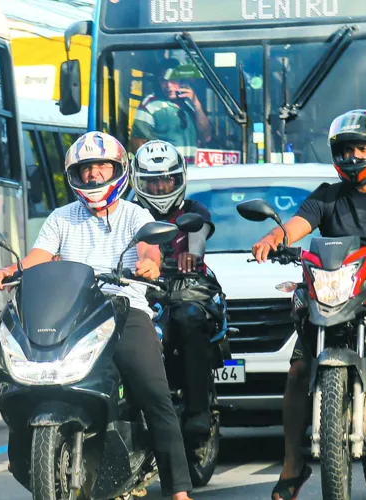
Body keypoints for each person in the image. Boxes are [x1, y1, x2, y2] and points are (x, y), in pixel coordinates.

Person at [0, 131, 195, 500]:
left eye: (102, 167)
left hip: (124, 308)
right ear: (75, 176)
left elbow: (150, 250)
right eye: (86, 170)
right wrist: (10, 271)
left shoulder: (135, 214)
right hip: (74, 312)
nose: (95, 176)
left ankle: (179, 490)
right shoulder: (61, 218)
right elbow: (39, 258)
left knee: (154, 393)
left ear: (118, 170)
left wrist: (148, 264)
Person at [250, 110, 366, 500]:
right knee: (298, 369)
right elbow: (295, 226)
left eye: (362, 148)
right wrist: (273, 237)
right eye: (346, 150)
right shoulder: (326, 196)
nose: (354, 157)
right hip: (330, 289)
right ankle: (292, 463)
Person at [130, 139, 219, 435]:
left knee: (188, 318)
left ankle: (198, 410)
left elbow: (199, 234)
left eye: (167, 181)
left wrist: (191, 255)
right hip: (139, 290)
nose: (160, 189)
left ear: (179, 179)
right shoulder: (129, 212)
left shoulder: (195, 210)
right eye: (152, 183)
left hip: (186, 288)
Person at [129, 57, 213, 163]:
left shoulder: (191, 104)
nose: (168, 86)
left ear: (182, 80)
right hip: (167, 174)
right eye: (163, 81)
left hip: (193, 171)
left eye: (173, 80)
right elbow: (137, 142)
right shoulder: (150, 104)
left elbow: (206, 137)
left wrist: (196, 104)